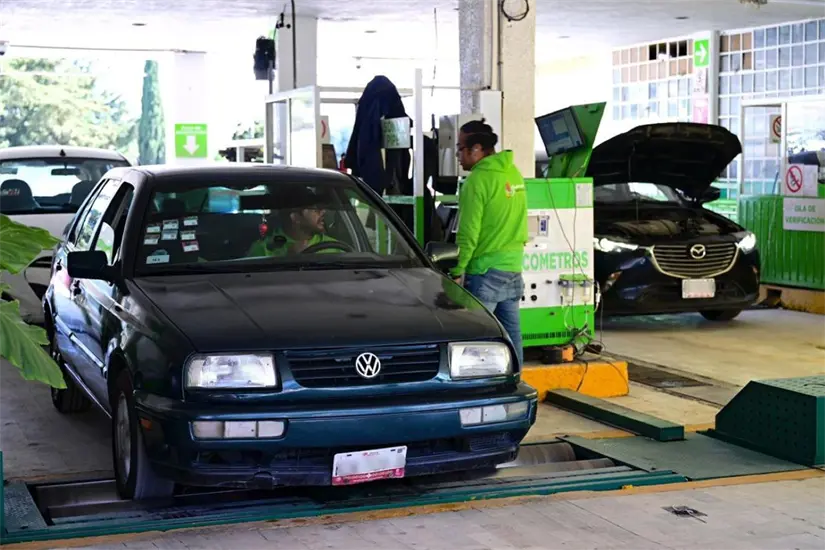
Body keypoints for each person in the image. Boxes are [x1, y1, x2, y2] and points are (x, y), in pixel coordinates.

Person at [450, 120, 528, 367]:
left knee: (474, 341)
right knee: (511, 337)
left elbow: (468, 233)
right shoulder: (513, 173)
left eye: (460, 148)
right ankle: (516, 380)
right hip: (513, 268)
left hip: (485, 271)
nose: (458, 155)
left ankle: (477, 386)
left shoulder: (477, 181)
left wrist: (457, 270)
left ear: (476, 149)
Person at [247, 187, 343, 257]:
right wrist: (290, 260)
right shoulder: (263, 250)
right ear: (295, 217)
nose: (323, 211)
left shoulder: (335, 247)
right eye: (315, 209)